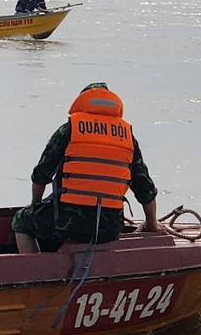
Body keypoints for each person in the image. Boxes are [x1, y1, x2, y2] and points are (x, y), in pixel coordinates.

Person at [12, 83, 162, 252]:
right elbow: (145, 189)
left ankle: (35, 267)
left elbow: (41, 175)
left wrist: (35, 205)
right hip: (109, 228)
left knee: (21, 221)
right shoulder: (127, 137)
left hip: (68, 222)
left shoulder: (70, 130)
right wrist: (151, 225)